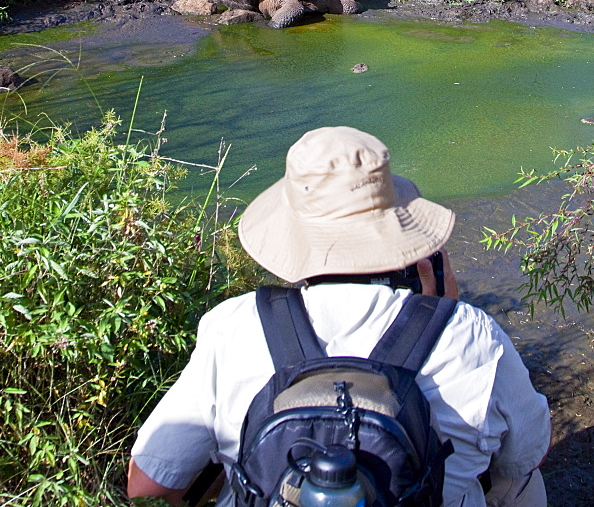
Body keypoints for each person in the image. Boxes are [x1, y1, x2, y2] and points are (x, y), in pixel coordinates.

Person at [128, 126, 550, 507]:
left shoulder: (232, 328)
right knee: (525, 482)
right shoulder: (472, 336)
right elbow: (527, 454)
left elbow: (148, 485)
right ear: (408, 244)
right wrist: (445, 314)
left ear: (288, 237)